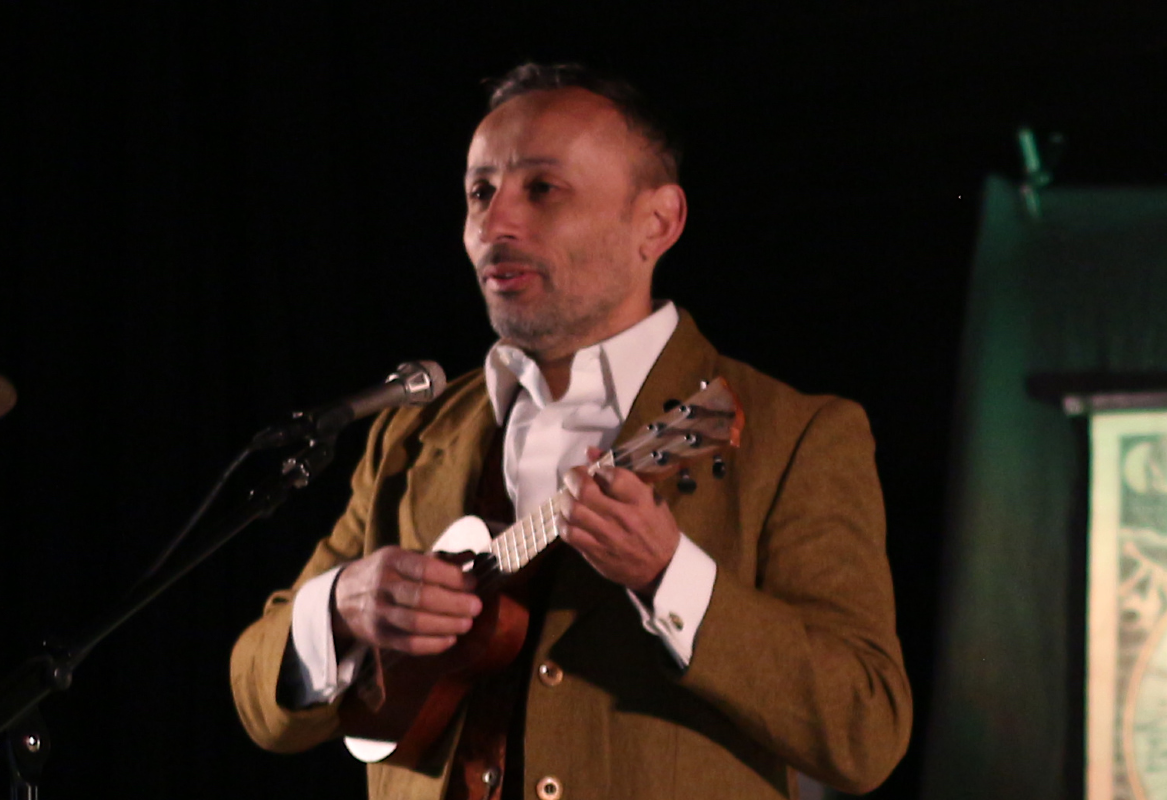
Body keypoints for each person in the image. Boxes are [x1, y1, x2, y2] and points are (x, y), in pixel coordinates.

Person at [229, 62, 911, 800]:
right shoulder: (412, 433)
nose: (496, 224)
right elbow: (257, 696)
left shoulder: (795, 434)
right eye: (480, 192)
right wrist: (342, 605)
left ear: (658, 222)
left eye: (542, 190)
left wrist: (669, 574)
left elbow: (864, 730)